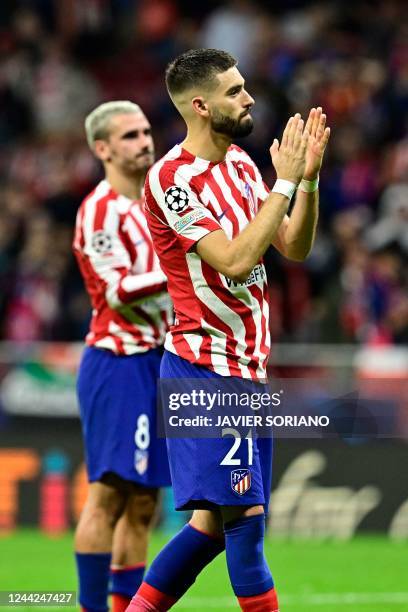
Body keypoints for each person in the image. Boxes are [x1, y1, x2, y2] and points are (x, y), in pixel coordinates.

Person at [127, 49, 330, 612]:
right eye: (235, 91)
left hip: (245, 370)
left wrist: (306, 183)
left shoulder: (240, 164)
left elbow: (292, 244)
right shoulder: (170, 181)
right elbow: (237, 260)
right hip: (205, 370)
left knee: (209, 528)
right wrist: (284, 185)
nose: (249, 99)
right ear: (200, 105)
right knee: (244, 523)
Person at [72, 101, 173, 612]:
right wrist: (185, 269)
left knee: (143, 504)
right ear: (103, 149)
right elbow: (115, 292)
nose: (144, 141)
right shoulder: (100, 210)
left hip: (160, 361)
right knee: (109, 495)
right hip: (117, 360)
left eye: (146, 131)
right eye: (129, 135)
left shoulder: (162, 202)